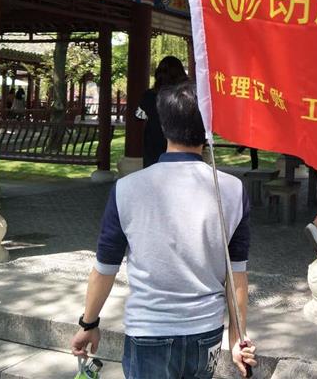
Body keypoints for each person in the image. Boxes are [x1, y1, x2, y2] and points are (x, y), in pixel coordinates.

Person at [70, 82, 256, 378]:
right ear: (209, 125)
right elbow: (237, 275)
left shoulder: (127, 189)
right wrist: (237, 338)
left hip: (149, 330)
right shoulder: (233, 190)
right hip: (205, 331)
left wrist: (89, 323)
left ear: (162, 124)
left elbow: (104, 269)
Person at [135, 56, 188, 168]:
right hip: (181, 144)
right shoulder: (187, 96)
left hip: (154, 145)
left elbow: (138, 116)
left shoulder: (149, 96)